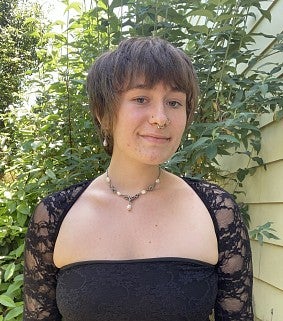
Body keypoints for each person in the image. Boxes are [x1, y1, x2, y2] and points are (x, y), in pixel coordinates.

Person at [23, 37, 253, 321]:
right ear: (103, 112)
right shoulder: (55, 216)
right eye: (141, 98)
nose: (160, 117)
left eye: (174, 102)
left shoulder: (217, 210)